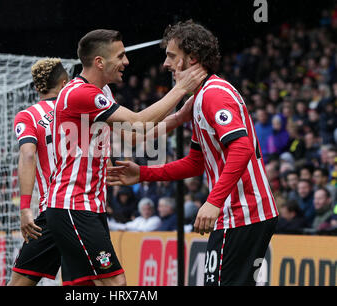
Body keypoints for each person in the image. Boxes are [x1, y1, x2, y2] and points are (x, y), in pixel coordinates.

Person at [107, 20, 279, 286]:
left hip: (243, 213)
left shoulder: (213, 95)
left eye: (172, 56)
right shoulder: (199, 98)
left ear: (193, 59)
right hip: (237, 214)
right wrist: (143, 173)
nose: (165, 64)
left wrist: (213, 201)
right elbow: (195, 163)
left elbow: (242, 146)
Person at [45, 29, 207, 286]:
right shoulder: (81, 93)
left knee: (83, 288)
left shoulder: (102, 93)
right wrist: (181, 89)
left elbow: (132, 138)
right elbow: (138, 121)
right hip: (73, 206)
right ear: (99, 62)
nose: (127, 62)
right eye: (120, 56)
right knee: (116, 283)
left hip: (86, 206)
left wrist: (177, 118)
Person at [8, 58, 69, 286]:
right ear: (65, 84)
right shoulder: (80, 112)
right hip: (86, 211)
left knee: (19, 283)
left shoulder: (29, 116)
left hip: (53, 211)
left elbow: (28, 155)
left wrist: (25, 208)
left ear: (36, 87)